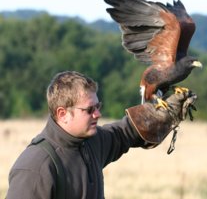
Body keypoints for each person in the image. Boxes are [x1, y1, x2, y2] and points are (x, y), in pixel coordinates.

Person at [6, 71, 196, 199]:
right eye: (89, 110)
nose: (98, 114)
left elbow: (125, 133)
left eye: (98, 107)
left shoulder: (90, 142)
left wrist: (158, 115)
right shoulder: (35, 167)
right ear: (62, 114)